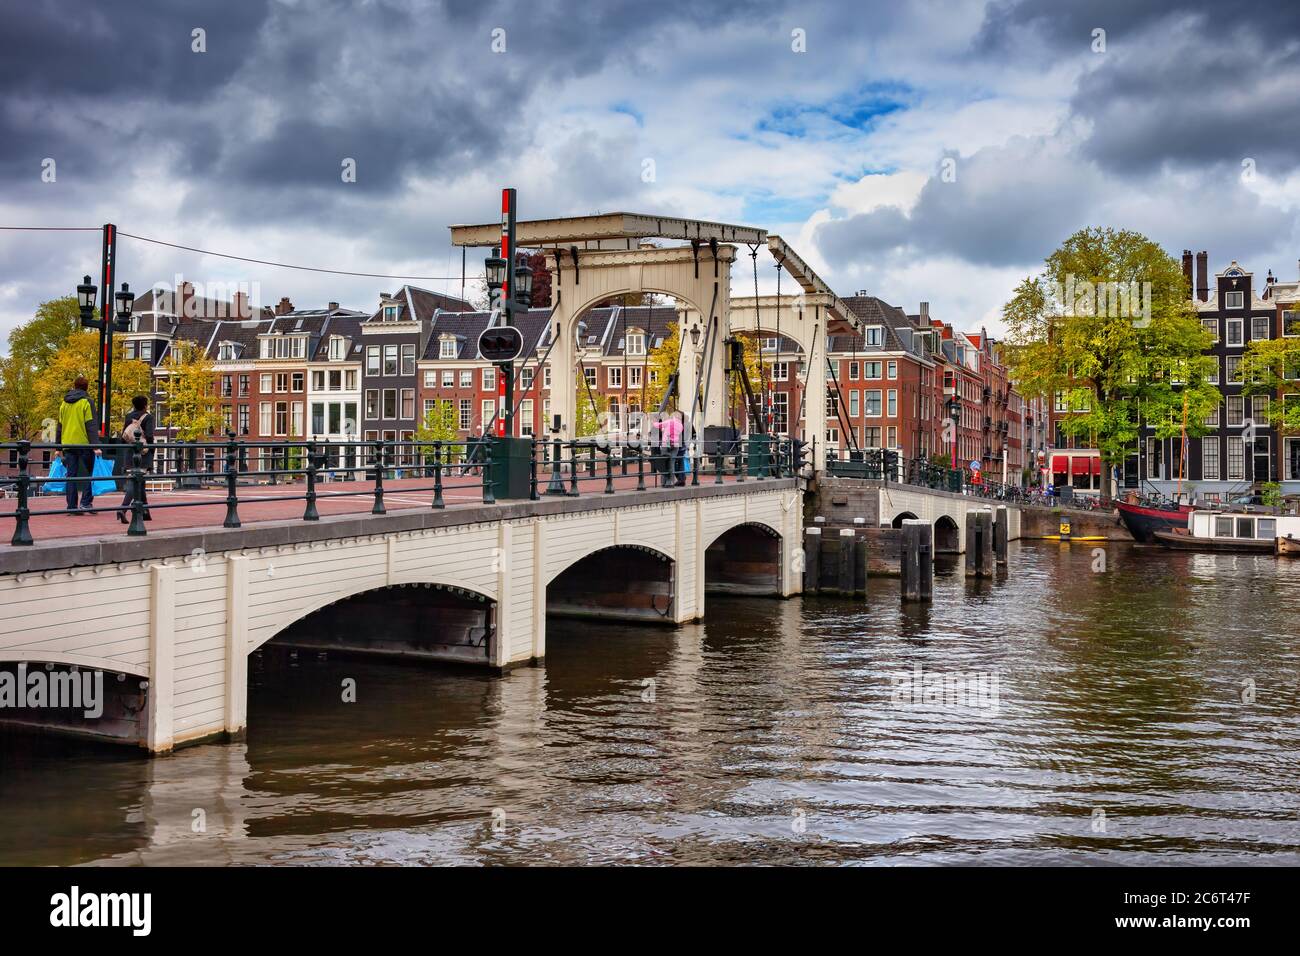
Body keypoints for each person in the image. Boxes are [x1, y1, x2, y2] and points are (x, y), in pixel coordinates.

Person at [54, 375, 101, 515]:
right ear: (86, 387)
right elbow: (91, 425)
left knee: (71, 475)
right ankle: (86, 503)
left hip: (68, 443)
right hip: (84, 444)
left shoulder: (64, 403)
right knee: (90, 473)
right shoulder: (87, 402)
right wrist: (96, 446)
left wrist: (58, 447)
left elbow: (60, 426)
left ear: (74, 386)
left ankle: (72, 507)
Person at [118, 395, 155, 523]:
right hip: (143, 454)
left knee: (140, 482)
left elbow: (124, 436)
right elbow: (149, 436)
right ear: (145, 405)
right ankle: (123, 509)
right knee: (135, 482)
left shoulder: (128, 416)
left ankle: (145, 512)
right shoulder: (148, 417)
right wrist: (151, 450)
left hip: (129, 453)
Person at [650, 410, 686, 487]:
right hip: (676, 445)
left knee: (664, 463)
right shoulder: (681, 425)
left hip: (666, 444)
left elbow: (658, 426)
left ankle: (664, 482)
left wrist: (653, 422)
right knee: (672, 463)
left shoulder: (669, 422)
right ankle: (670, 482)